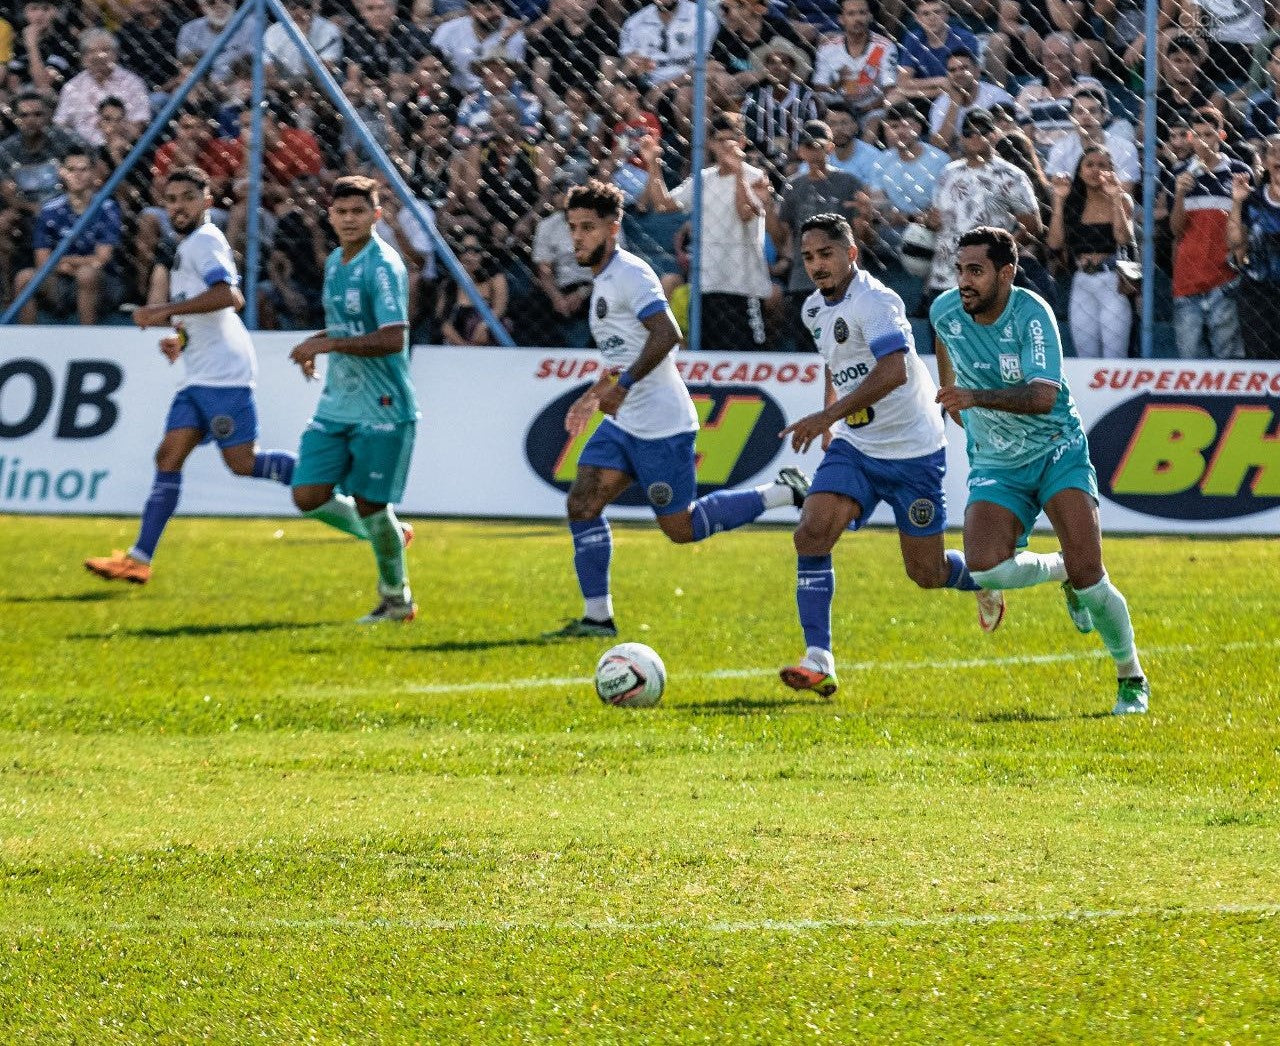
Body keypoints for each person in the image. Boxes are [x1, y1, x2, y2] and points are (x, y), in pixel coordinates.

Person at [544, 179, 810, 639]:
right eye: (573, 227)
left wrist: (622, 386)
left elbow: (667, 335)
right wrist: (594, 394)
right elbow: (620, 355)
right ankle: (597, 619)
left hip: (662, 426)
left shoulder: (631, 274)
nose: (577, 237)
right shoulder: (604, 281)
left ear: (613, 227)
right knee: (583, 503)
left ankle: (782, 493)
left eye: (587, 227)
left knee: (682, 528)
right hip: (624, 424)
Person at [776, 213, 1001, 698]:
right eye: (809, 256)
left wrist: (827, 416)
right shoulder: (814, 309)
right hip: (858, 447)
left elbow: (894, 370)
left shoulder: (876, 301)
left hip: (915, 451)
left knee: (926, 573)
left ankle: (981, 578)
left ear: (850, 254)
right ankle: (819, 659)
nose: (817, 265)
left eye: (827, 254)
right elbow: (836, 367)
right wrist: (830, 422)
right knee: (812, 533)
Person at [932, 225, 1150, 715]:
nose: (963, 281)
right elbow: (943, 338)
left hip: (1057, 451)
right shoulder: (945, 309)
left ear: (1006, 273)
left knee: (1093, 578)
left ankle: (1130, 675)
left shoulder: (1033, 315)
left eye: (976, 271)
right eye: (960, 270)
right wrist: (951, 393)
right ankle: (1059, 570)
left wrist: (973, 396)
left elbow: (1041, 396)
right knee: (987, 570)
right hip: (995, 462)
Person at [84, 166, 297, 586]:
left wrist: (161, 314)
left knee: (243, 463)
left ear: (206, 201)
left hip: (223, 375)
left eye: (186, 197)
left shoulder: (204, 242)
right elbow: (204, 311)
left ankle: (329, 478)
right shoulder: (185, 249)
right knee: (168, 456)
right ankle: (139, 558)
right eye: (171, 199)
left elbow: (229, 296)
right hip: (199, 374)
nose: (177, 206)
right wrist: (179, 338)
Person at [288, 175, 419, 624]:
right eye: (341, 212)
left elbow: (390, 338)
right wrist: (315, 342)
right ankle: (390, 534)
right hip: (338, 401)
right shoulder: (334, 262)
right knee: (307, 495)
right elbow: (348, 330)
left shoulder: (383, 265)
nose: (349, 219)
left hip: (382, 403)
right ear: (330, 216)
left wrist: (325, 346)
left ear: (376, 216)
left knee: (369, 504)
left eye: (358, 211)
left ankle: (396, 600)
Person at [641, 111, 774, 350]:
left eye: (732, 139)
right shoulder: (703, 179)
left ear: (742, 142)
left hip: (744, 286)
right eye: (720, 140)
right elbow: (663, 205)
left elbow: (745, 213)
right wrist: (652, 164)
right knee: (706, 354)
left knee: (747, 356)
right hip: (706, 284)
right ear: (711, 144)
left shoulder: (755, 177)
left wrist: (738, 172)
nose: (726, 146)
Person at [1169, 106, 1250, 360]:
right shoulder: (1181, 173)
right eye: (1198, 134)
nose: (1203, 141)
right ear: (1190, 137)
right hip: (1188, 277)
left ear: (1221, 136)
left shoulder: (1238, 171)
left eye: (1209, 135)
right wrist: (1180, 192)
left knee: (1228, 358)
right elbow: (1175, 229)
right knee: (1189, 357)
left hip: (1225, 278)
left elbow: (1246, 225)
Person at [1047, 146, 1135, 358]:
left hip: (1113, 280)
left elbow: (1124, 239)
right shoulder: (1071, 202)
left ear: (1111, 170)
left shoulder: (1121, 200)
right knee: (1085, 355)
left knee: (1115, 355)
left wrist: (1115, 197)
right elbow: (1054, 243)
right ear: (1079, 170)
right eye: (1089, 165)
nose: (1095, 170)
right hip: (1082, 281)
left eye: (1102, 165)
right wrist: (1059, 200)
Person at [1227, 135, 1280, 359]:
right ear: (1265, 161)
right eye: (1273, 152)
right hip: (1258, 291)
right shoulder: (1253, 200)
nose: (1279, 157)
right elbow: (1234, 242)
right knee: (1259, 357)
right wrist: (1237, 202)